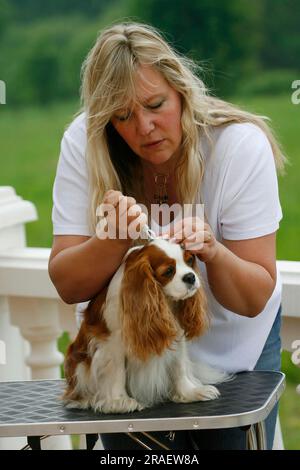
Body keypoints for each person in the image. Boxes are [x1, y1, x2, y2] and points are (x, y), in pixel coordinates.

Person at [49, 22, 286, 450]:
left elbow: (254, 299)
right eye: (122, 116)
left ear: (181, 90)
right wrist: (114, 240)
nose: (144, 127)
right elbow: (67, 283)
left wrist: (212, 251)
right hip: (127, 362)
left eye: (156, 104)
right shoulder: (83, 143)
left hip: (235, 357)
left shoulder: (237, 147)